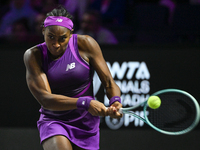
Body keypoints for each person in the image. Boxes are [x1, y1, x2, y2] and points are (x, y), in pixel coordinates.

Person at [23, 6, 122, 150]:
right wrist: (85, 103)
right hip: (54, 121)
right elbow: (45, 99)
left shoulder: (86, 44)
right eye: (51, 37)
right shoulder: (33, 56)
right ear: (43, 31)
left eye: (62, 38)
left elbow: (108, 82)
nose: (56, 44)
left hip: (86, 123)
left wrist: (115, 101)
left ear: (70, 35)